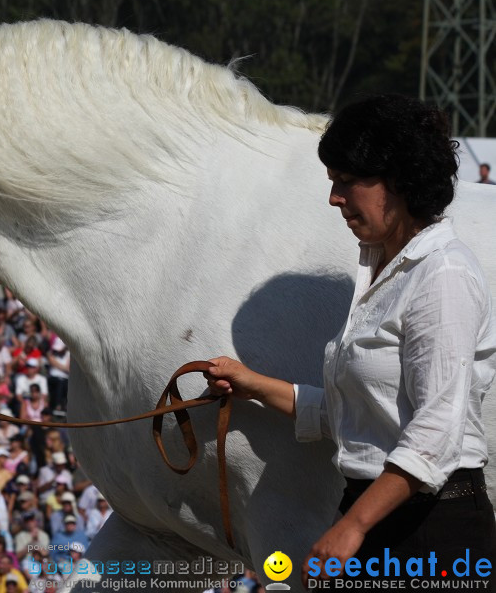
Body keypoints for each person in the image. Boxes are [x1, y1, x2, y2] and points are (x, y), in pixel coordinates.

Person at [204, 95, 496, 587]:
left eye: (346, 181)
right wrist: (252, 384)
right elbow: (354, 415)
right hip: (383, 521)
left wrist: (353, 527)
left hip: (434, 532)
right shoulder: (381, 270)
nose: (334, 198)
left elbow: (435, 431)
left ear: (398, 180)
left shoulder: (441, 273)